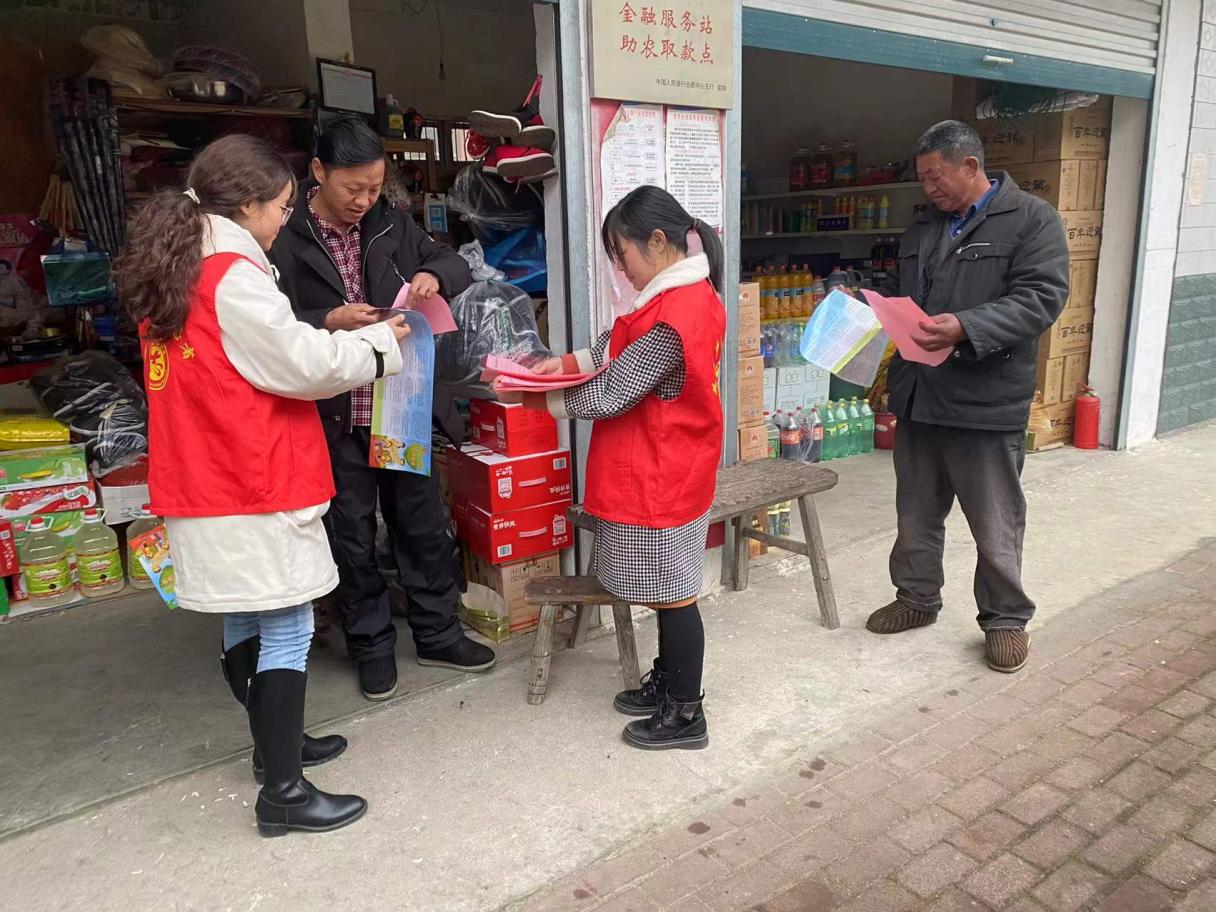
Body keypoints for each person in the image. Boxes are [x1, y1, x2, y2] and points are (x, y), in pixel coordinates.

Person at [117, 134, 411, 836]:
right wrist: (379, 344)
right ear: (246, 205)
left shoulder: (179, 266)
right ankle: (283, 790)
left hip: (204, 473)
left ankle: (273, 748)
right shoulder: (233, 276)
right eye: (280, 207)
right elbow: (297, 363)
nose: (285, 219)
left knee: (244, 613)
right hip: (249, 476)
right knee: (287, 621)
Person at [272, 117, 495, 701]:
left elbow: (455, 263)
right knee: (350, 533)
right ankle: (371, 646)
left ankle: (437, 633)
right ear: (318, 172)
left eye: (374, 187)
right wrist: (327, 320)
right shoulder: (285, 234)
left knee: (419, 521)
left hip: (398, 400)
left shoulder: (389, 223)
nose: (364, 200)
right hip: (333, 410)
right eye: (354, 189)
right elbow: (266, 325)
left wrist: (429, 274)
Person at [497, 186, 725, 750]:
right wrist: (555, 365)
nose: (619, 268)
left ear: (656, 241)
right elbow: (611, 346)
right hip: (663, 467)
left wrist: (534, 399)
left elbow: (611, 393)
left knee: (675, 596)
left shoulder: (679, 311)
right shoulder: (671, 295)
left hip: (663, 473)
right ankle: (667, 685)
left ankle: (685, 712)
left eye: (620, 254)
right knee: (665, 589)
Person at [868, 120, 1069, 673]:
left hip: (984, 400)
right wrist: (867, 305)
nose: (929, 188)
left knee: (994, 518)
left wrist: (966, 325)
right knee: (915, 512)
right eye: (922, 179)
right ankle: (916, 598)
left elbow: (1041, 298)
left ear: (971, 166)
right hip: (920, 395)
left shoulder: (1031, 220)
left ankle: (1005, 619)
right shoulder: (924, 227)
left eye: (937, 177)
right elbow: (908, 296)